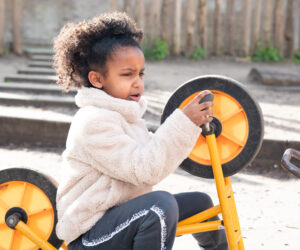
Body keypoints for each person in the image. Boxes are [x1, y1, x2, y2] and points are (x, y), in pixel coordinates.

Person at [53, 12, 228, 250]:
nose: (138, 82)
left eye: (140, 73)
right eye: (127, 74)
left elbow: (156, 150)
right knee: (158, 206)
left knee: (202, 204)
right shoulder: (93, 122)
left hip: (123, 216)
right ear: (96, 79)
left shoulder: (125, 115)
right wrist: (183, 123)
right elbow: (144, 169)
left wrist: (194, 128)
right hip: (91, 236)